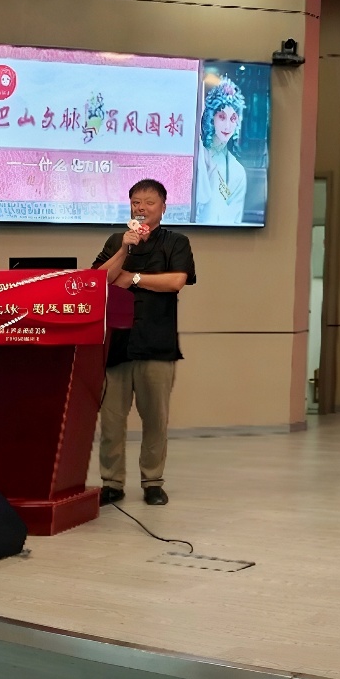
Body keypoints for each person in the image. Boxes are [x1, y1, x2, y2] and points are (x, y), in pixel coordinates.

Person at [93, 179, 196, 505]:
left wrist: (134, 278)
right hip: (116, 345)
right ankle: (112, 483)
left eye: (149, 202)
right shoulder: (116, 241)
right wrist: (124, 250)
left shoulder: (176, 242)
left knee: (155, 421)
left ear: (163, 207)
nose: (141, 208)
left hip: (157, 344)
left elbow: (176, 281)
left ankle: (153, 482)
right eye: (136, 202)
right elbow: (98, 281)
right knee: (111, 421)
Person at [194, 77, 248, 225]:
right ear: (211, 118)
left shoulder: (237, 171)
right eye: (222, 117)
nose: (227, 126)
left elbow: (234, 221)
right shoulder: (198, 153)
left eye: (233, 119)